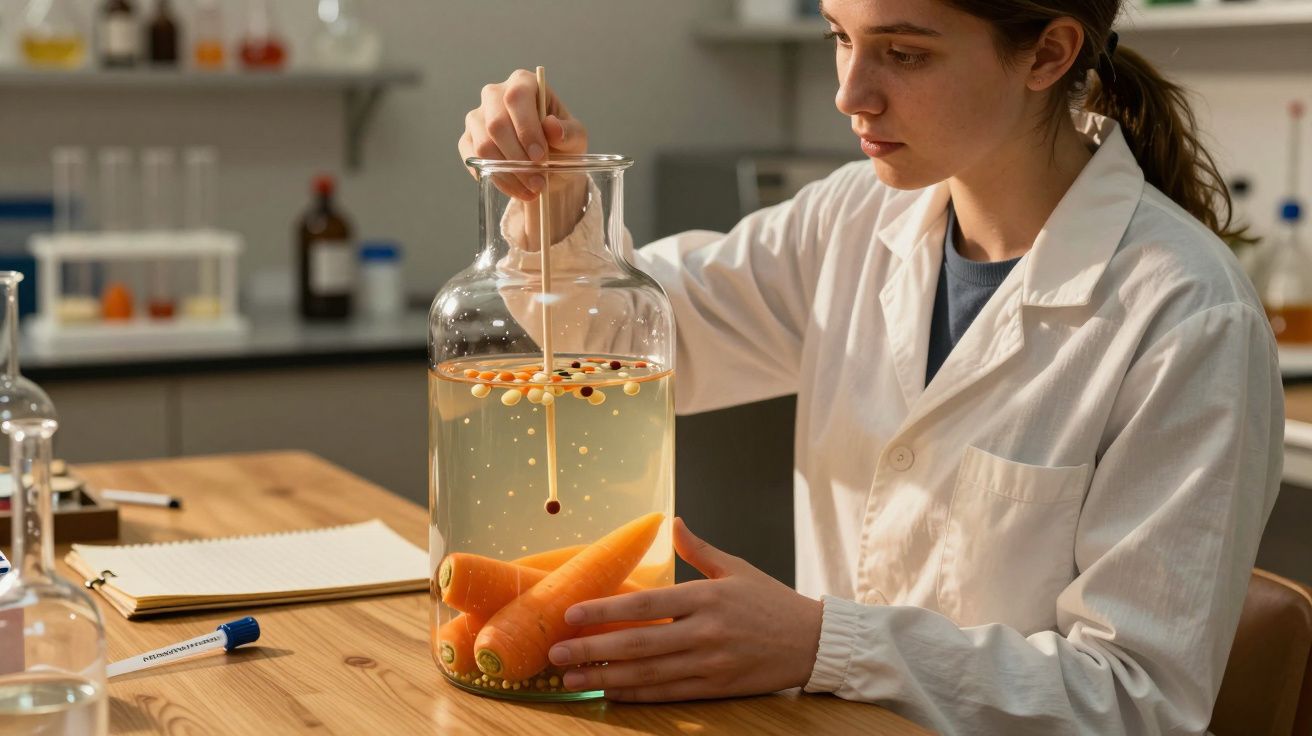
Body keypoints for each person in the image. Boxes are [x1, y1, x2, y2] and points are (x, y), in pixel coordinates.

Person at [457, 0, 1284, 733]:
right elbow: (642, 338)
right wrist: (557, 204)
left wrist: (823, 643)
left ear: (1048, 54)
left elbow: (1136, 704)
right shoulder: (853, 215)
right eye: (839, 37)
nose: (851, 93)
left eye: (906, 53)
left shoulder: (1187, 315)